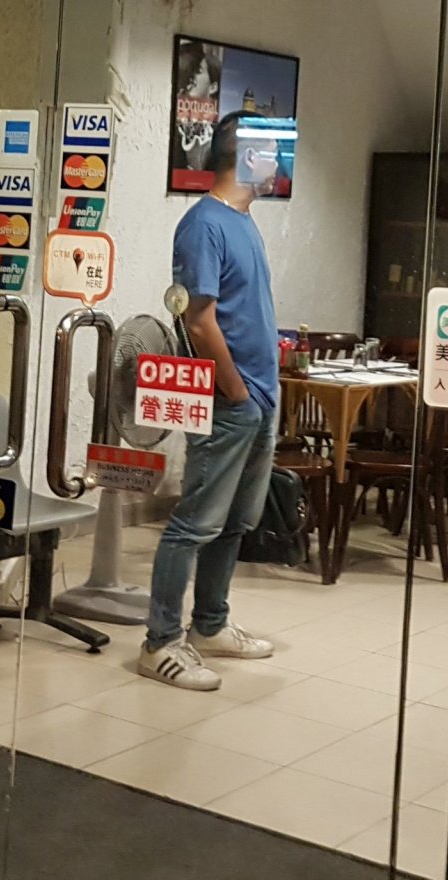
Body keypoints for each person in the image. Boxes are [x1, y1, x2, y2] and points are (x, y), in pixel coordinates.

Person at [139, 111, 282, 691]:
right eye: (273, 150)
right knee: (194, 523)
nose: (280, 161)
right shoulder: (203, 224)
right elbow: (199, 320)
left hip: (261, 397)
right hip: (231, 400)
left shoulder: (244, 221)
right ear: (247, 156)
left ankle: (210, 624)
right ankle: (160, 642)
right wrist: (236, 391)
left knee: (234, 522)